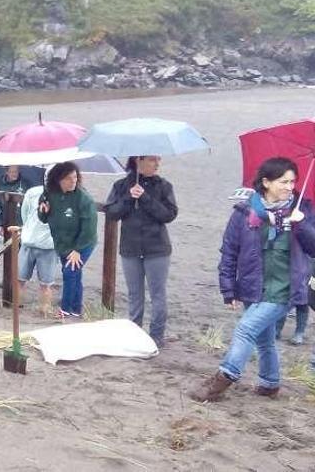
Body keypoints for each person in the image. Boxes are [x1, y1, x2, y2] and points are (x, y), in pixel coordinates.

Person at [190, 157, 315, 402]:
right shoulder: (244, 212)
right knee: (264, 339)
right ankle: (269, 383)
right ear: (266, 182)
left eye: (292, 182)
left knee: (245, 329)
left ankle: (223, 379)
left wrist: (301, 225)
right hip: (253, 286)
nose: (290, 187)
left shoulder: (303, 210)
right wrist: (228, 288)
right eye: (283, 182)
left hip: (285, 289)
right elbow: (229, 251)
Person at [104, 156, 178, 347]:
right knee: (134, 294)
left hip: (157, 248)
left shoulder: (164, 186)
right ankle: (135, 332)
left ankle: (156, 336)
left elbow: (169, 214)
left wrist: (145, 198)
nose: (157, 164)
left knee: (157, 294)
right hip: (130, 247)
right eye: (153, 160)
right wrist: (130, 197)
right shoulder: (121, 185)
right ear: (139, 161)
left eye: (158, 160)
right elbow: (111, 212)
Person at [38, 162, 97, 318]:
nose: (73, 181)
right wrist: (43, 211)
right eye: (69, 178)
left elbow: (89, 227)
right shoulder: (49, 194)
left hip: (83, 243)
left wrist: (78, 250)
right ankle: (76, 311)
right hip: (63, 243)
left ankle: (64, 310)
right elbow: (43, 218)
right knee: (75, 275)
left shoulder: (84, 199)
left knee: (70, 272)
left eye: (75, 177)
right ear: (59, 179)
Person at [17, 184, 60, 317]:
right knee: (46, 284)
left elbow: (24, 214)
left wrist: (28, 229)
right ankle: (44, 311)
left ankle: (17, 310)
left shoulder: (31, 191)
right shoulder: (63, 196)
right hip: (48, 244)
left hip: (29, 240)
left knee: (19, 280)